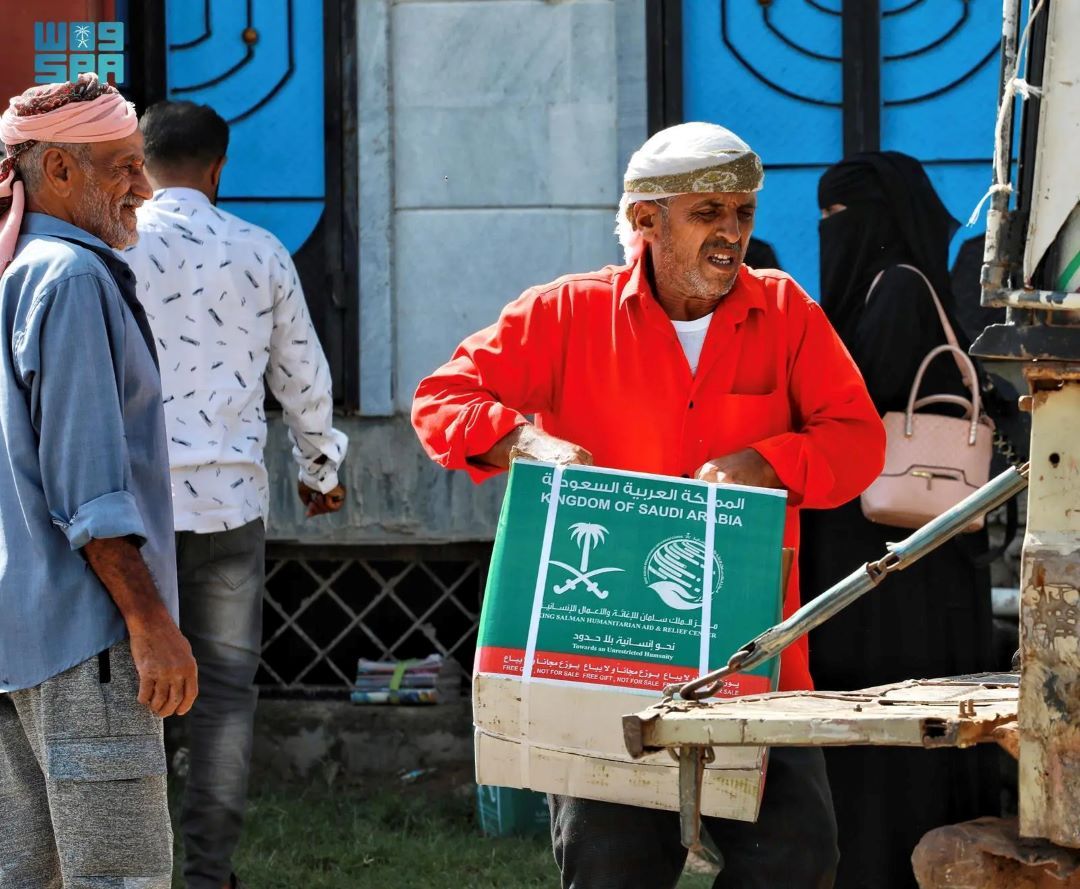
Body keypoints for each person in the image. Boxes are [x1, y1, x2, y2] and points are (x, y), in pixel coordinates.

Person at [412, 121, 886, 889]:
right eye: (708, 214)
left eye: (743, 214)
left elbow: (858, 441)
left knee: (797, 861)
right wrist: (523, 442)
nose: (731, 233)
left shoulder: (787, 311)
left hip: (755, 655)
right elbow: (443, 397)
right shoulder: (566, 311)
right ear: (645, 221)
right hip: (605, 654)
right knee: (611, 868)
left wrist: (766, 461)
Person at [121, 100, 349, 889]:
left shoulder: (106, 249)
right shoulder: (259, 251)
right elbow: (302, 376)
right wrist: (320, 470)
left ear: (137, 161)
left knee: (123, 695)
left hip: (128, 522)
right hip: (229, 509)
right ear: (219, 168)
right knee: (222, 702)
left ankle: (125, 869)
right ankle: (207, 874)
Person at [0, 74, 196, 887]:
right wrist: (150, 623)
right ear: (59, 173)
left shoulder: (19, 272)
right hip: (91, 642)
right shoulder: (73, 279)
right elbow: (87, 492)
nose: (144, 187)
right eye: (121, 166)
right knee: (120, 874)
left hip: (20, 638)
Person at [801, 151, 1001, 889]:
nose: (830, 234)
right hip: (912, 563)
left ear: (878, 221)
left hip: (891, 569)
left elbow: (851, 416)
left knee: (887, 729)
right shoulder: (903, 289)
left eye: (839, 219)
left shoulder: (897, 297)